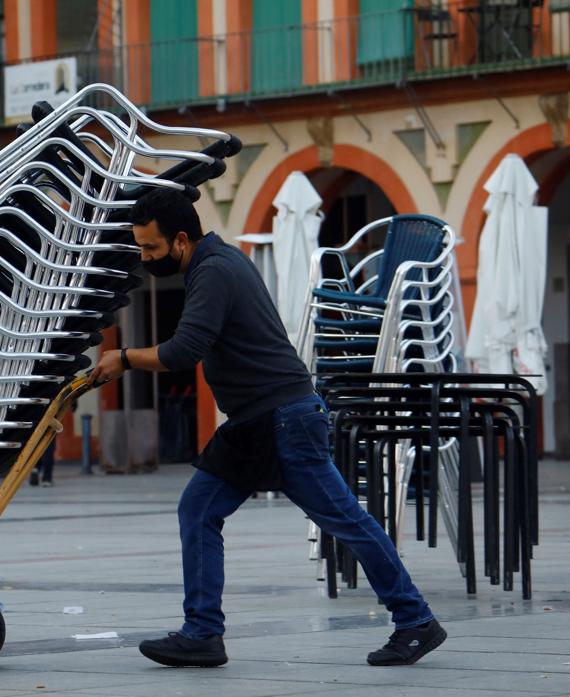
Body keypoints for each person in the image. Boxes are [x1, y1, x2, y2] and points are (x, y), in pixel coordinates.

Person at [89, 187, 444, 668]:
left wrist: (125, 358)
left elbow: (184, 350)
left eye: (150, 249)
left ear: (179, 240)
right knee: (198, 509)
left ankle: (415, 620)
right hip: (256, 422)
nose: (145, 258)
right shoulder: (210, 264)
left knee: (346, 522)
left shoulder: (213, 270)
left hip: (284, 419)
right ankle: (202, 634)